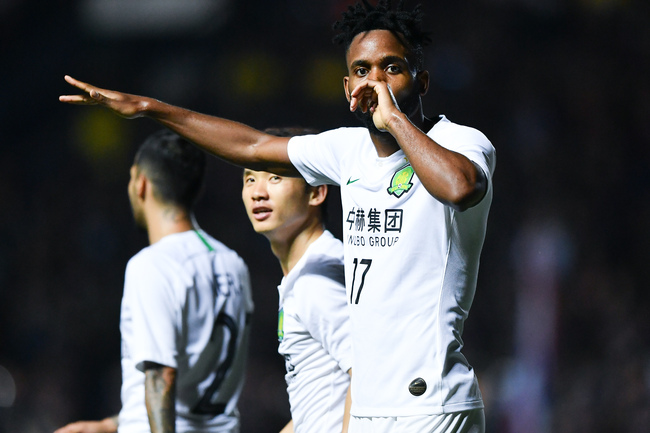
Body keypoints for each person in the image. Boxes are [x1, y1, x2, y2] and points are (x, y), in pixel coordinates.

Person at [60, 1, 495, 431]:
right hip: (370, 411)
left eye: (391, 68)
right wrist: (150, 109)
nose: (374, 82)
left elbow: (461, 188)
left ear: (421, 80)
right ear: (347, 88)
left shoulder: (460, 141)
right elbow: (251, 146)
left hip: (433, 406)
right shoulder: (347, 151)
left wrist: (395, 120)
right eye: (362, 71)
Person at [54, 131, 254, 433]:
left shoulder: (153, 264)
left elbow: (161, 377)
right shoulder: (233, 263)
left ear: (141, 183)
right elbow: (195, 387)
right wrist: (110, 425)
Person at [242, 127, 352, 433]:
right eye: (250, 178)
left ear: (317, 191)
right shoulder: (305, 273)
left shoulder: (319, 279)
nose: (258, 191)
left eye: (275, 178)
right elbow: (317, 405)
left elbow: (368, 375)